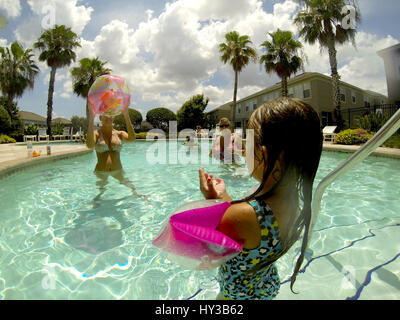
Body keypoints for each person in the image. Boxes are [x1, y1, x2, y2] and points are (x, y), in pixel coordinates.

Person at [199, 98, 323, 300]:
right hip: (265, 285)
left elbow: (207, 252)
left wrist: (210, 201)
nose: (244, 149)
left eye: (248, 143)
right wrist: (223, 197)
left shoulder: (243, 216)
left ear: (263, 155)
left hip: (237, 294)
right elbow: (248, 223)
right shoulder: (293, 203)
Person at [86, 107, 144, 201]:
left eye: (110, 116)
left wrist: (126, 116)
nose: (108, 117)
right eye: (105, 116)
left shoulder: (119, 133)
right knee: (99, 193)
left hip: (118, 171)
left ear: (113, 118)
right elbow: (89, 146)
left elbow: (132, 138)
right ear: (100, 118)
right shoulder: (96, 134)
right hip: (101, 172)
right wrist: (91, 119)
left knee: (132, 188)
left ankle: (138, 196)